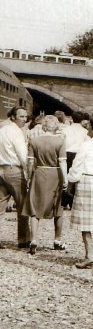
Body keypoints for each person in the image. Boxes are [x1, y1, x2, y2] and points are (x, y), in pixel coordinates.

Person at [22, 115, 68, 255]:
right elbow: (62, 162)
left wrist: (29, 177)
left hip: (39, 173)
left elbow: (30, 162)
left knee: (35, 207)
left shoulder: (34, 141)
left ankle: (34, 239)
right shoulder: (60, 142)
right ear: (56, 126)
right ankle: (57, 240)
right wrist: (65, 179)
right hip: (56, 175)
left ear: (43, 126)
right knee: (58, 208)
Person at [0, 106, 30, 250]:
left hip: (0, 170)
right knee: (22, 206)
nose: (25, 119)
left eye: (25, 116)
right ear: (13, 117)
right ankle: (23, 239)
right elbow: (23, 156)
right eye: (21, 116)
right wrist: (28, 173)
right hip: (14, 170)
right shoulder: (16, 132)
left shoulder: (1, 131)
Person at [68, 115, 93, 269]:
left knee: (86, 221)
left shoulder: (86, 145)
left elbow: (77, 167)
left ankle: (90, 255)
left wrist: (71, 182)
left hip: (87, 181)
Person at [62, 112, 88, 208]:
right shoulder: (84, 132)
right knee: (76, 178)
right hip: (78, 154)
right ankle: (73, 201)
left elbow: (62, 141)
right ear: (82, 120)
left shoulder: (65, 130)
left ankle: (64, 201)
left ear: (72, 118)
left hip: (66, 153)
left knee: (66, 177)